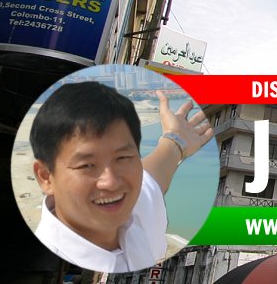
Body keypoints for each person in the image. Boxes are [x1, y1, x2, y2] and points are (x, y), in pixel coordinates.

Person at [29, 81, 213, 272]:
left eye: (122, 157)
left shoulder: (132, 211)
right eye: (87, 165)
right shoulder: (50, 261)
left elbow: (151, 179)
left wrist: (176, 139)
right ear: (45, 177)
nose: (111, 182)